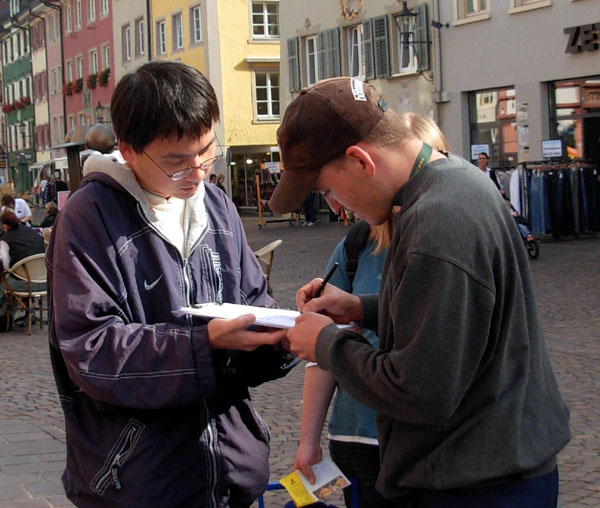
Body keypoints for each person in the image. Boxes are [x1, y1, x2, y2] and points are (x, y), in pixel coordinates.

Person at [270, 77, 570, 507]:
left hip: (475, 485)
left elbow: (418, 392)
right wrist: (361, 308)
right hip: (494, 468)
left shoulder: (437, 219)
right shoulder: (456, 179)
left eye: (328, 190)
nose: (335, 207)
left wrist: (326, 344)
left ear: (360, 160)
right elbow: (461, 317)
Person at [46, 61, 297, 508]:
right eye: (177, 162)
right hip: (140, 482)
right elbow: (91, 351)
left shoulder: (217, 205)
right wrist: (204, 343)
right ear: (128, 150)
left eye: (207, 152)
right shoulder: (90, 216)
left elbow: (253, 300)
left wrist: (281, 337)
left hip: (231, 475)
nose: (198, 173)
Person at [293, 113, 449, 508]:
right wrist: (308, 440)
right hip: (357, 436)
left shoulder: (440, 237)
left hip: (424, 445)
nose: (335, 206)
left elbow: (428, 368)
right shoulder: (355, 246)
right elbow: (322, 356)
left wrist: (331, 335)